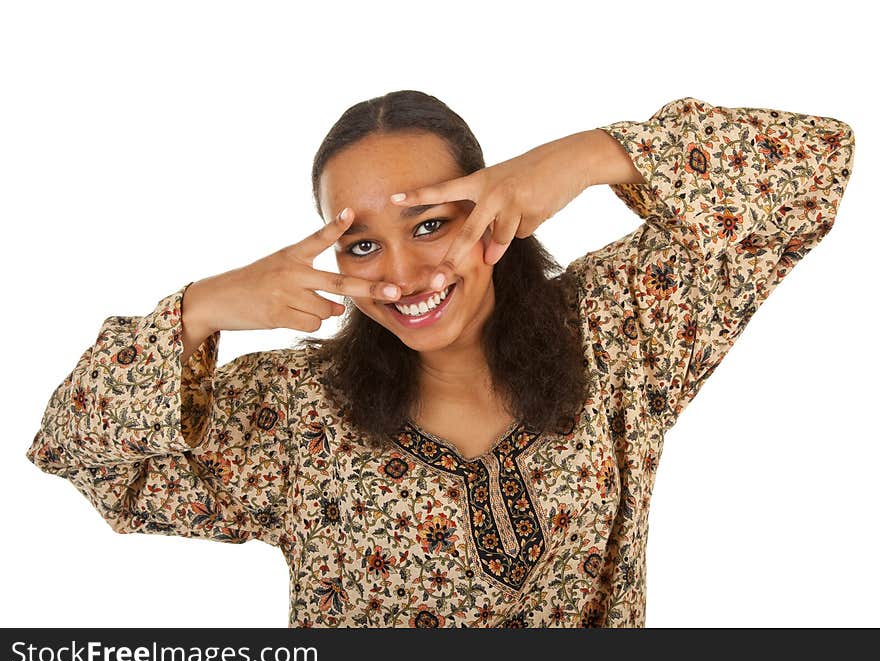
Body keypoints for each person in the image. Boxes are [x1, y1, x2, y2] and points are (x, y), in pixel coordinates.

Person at [25, 91, 855, 628]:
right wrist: (200, 307)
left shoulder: (614, 332)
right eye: (360, 244)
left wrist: (588, 155)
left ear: (498, 204)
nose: (404, 273)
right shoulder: (295, 414)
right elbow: (79, 452)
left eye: (432, 222)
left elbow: (815, 168)